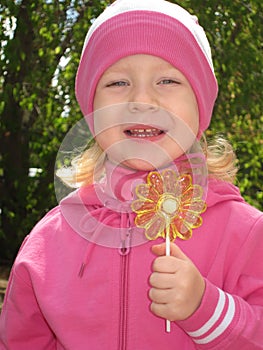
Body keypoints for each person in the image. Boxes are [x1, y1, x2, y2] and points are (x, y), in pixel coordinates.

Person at [0, 0, 263, 349]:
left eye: (168, 80)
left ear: (200, 109)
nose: (141, 99)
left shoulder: (244, 232)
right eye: (118, 82)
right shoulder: (48, 243)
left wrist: (207, 309)